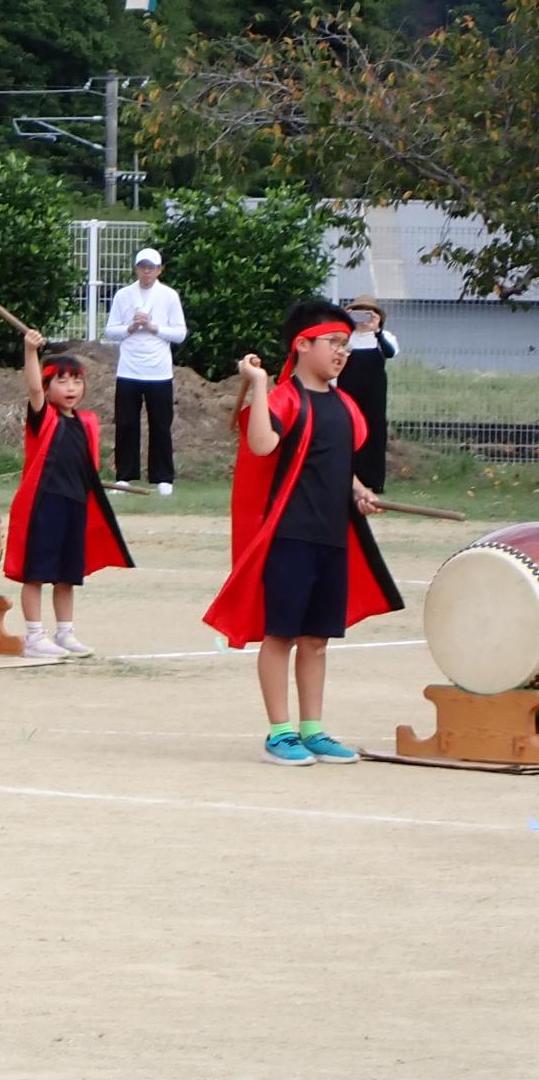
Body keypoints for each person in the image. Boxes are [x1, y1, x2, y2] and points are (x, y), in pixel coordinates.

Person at [204, 299, 403, 766]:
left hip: (331, 538)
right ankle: (279, 733)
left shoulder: (346, 406)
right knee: (282, 635)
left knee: (316, 638)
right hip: (289, 537)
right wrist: (258, 385)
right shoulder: (284, 400)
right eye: (334, 342)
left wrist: (359, 492)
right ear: (303, 345)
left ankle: (312, 729)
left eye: (346, 345)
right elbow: (261, 444)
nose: (343, 352)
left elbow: (339, 466)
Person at [4, 333, 133, 658]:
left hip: (74, 504)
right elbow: (33, 388)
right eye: (61, 382)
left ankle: (65, 633)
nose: (71, 388)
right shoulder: (43, 418)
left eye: (76, 381)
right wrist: (30, 350)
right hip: (45, 505)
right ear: (48, 389)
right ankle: (35, 636)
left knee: (67, 576)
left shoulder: (87, 422)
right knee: (36, 574)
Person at [103, 248, 188, 495]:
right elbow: (110, 330)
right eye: (142, 267)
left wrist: (153, 327)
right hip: (129, 369)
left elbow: (180, 333)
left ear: (159, 270)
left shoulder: (169, 296)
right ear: (136, 268)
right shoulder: (123, 295)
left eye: (151, 267)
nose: (146, 271)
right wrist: (130, 327)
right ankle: (124, 475)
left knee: (160, 424)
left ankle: (163, 477)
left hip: (159, 371)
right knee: (126, 423)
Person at [337, 297, 399, 492]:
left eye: (368, 312)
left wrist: (377, 331)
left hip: (374, 391)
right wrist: (344, 324)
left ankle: (375, 480)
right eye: (359, 311)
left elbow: (390, 353)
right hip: (348, 389)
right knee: (349, 430)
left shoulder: (383, 337)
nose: (363, 317)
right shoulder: (347, 337)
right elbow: (337, 352)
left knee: (375, 430)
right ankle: (347, 477)